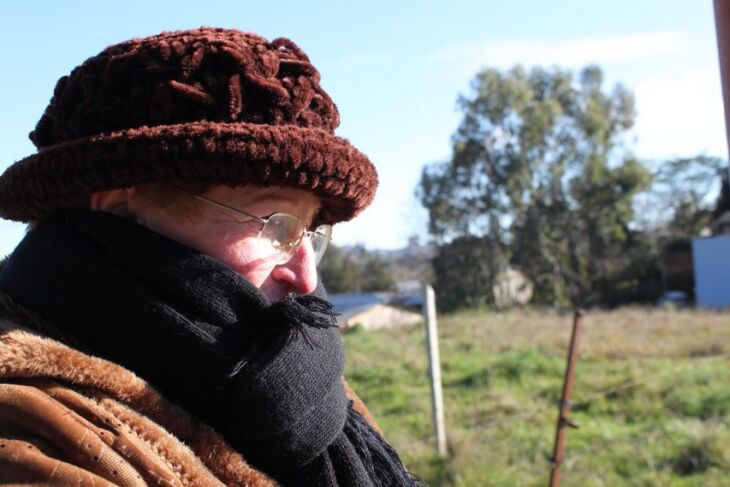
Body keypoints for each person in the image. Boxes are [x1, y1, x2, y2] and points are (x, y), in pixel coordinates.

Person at [0, 27, 417, 486]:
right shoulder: (28, 436)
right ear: (118, 213)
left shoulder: (294, 385)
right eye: (277, 224)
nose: (305, 277)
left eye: (310, 232)